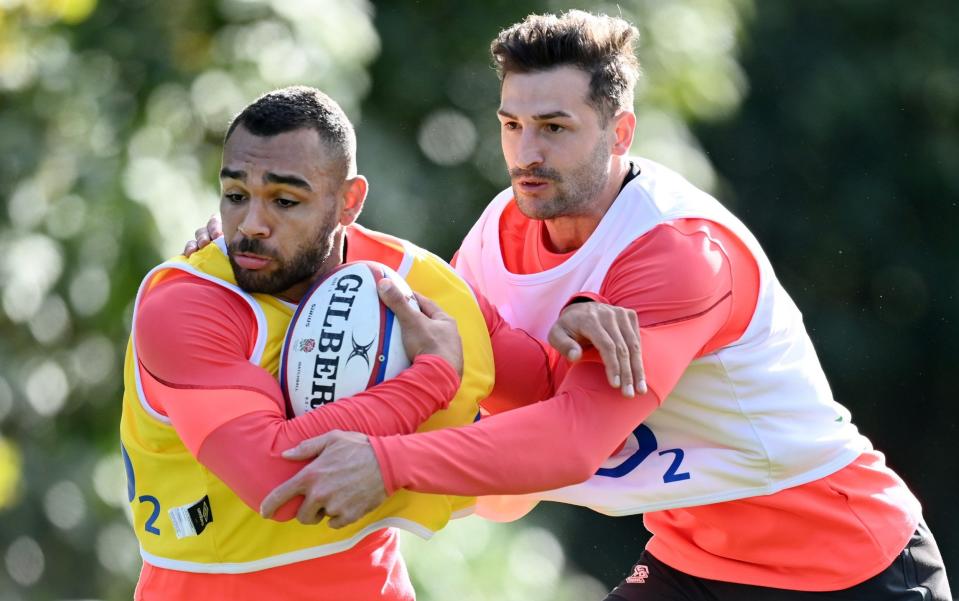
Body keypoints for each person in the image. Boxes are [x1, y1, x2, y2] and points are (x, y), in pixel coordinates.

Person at [259, 11, 952, 600]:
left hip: (851, 564)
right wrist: (237, 251)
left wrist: (384, 463)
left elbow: (570, 441)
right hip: (698, 558)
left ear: (619, 133)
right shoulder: (496, 243)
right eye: (512, 124)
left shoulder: (678, 250)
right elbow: (507, 481)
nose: (525, 152)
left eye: (554, 127)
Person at [121, 86, 642, 600]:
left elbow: (552, 399)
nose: (251, 226)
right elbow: (279, 481)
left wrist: (584, 315)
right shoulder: (185, 306)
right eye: (236, 196)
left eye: (284, 200)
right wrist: (429, 380)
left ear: (349, 201)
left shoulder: (422, 284)